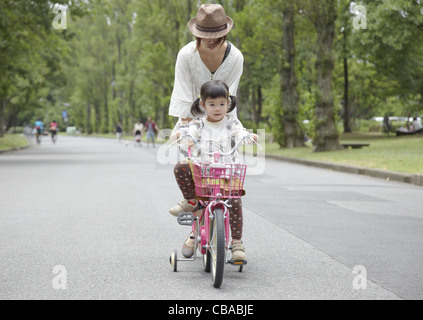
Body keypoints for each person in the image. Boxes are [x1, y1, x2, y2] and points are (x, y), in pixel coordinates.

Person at [170, 80, 258, 262]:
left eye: (222, 104)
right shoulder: (199, 124)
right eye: (212, 104)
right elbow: (190, 133)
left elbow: (240, 133)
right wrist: (183, 135)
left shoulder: (231, 123)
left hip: (227, 174)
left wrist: (248, 136)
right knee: (180, 167)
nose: (217, 108)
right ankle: (191, 201)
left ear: (228, 103)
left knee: (234, 202)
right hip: (203, 174)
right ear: (203, 105)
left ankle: (237, 242)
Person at [169, 4, 244, 137]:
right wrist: (188, 136)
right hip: (191, 126)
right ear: (197, 34)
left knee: (228, 155)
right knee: (188, 157)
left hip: (224, 126)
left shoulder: (236, 57)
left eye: (216, 35)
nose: (211, 40)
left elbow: (228, 101)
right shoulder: (185, 55)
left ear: (224, 33)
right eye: (206, 35)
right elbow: (184, 97)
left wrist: (222, 134)